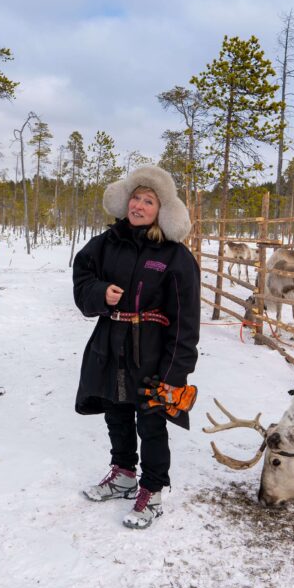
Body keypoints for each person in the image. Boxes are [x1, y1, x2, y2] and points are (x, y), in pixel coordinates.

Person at [72, 165, 200, 529]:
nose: (139, 206)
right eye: (135, 197)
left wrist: (176, 372)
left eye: (149, 200)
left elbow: (186, 321)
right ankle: (125, 473)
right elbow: (82, 275)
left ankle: (153, 489)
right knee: (116, 410)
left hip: (154, 351)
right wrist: (99, 293)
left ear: (162, 210)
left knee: (151, 419)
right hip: (110, 343)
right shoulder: (106, 242)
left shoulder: (175, 256)